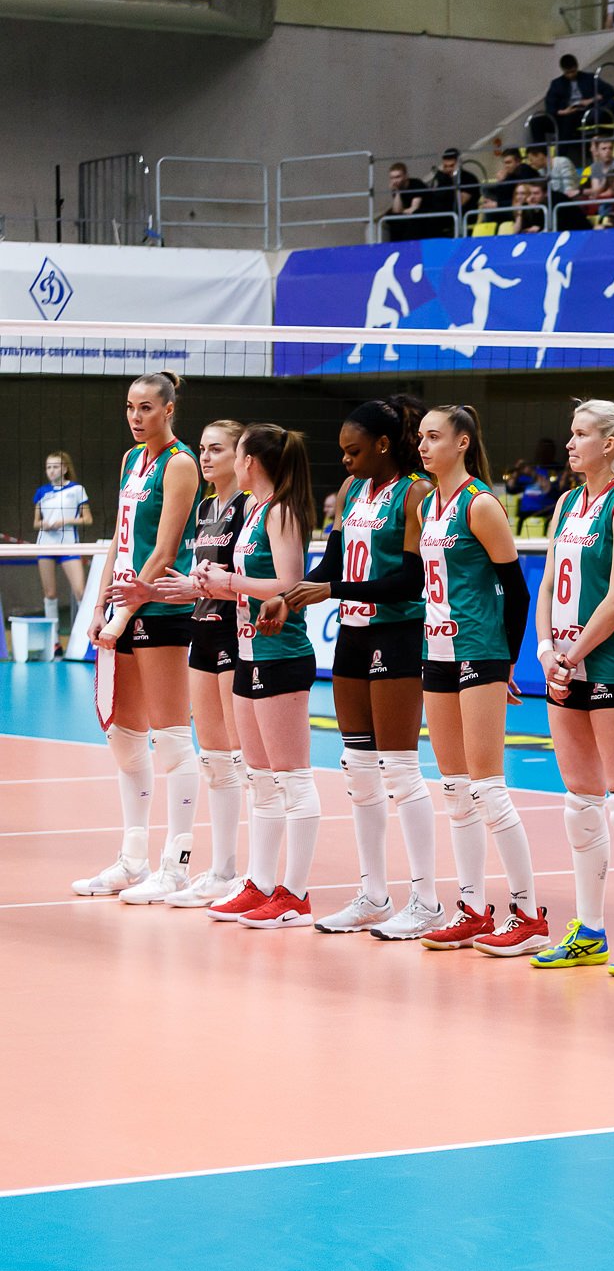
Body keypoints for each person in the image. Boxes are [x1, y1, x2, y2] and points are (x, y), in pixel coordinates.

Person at [278, 399, 439, 938]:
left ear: (383, 445)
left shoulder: (415, 492)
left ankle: (426, 901)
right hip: (352, 632)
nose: (345, 461)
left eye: (354, 451)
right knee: (358, 767)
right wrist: (295, 592)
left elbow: (410, 580)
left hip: (396, 632)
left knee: (400, 769)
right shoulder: (351, 491)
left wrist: (334, 588)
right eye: (343, 452)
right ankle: (373, 895)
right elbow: (332, 560)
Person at [527, 402, 614, 976]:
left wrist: (573, 654)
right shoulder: (566, 503)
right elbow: (546, 587)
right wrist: (545, 652)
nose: (569, 443)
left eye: (580, 433)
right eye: (571, 432)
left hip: (613, 662)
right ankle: (589, 930)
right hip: (565, 660)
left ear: (610, 444)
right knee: (580, 805)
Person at [410, 406, 545, 956]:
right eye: (420, 437)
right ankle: (470, 908)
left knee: (488, 787)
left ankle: (528, 913)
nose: (423, 445)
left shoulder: (480, 504)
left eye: (433, 436)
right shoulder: (427, 504)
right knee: (455, 789)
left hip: (479, 650)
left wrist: (506, 662)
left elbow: (517, 591)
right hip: (436, 650)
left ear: (462, 443)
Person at [72, 372, 202, 901]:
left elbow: (165, 550)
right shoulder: (132, 460)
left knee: (170, 739)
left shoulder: (181, 464)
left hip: (159, 608)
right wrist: (100, 602)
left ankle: (177, 865)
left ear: (168, 410)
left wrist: (124, 613)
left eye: (146, 407)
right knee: (125, 738)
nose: (135, 416)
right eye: (130, 407)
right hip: (122, 604)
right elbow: (118, 540)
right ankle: (132, 861)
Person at [190, 426, 322, 930]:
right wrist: (213, 585)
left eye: (236, 452)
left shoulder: (281, 510)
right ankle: (260, 883)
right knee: (260, 778)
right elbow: (249, 584)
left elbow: (289, 583)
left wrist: (229, 580)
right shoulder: (255, 510)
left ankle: (296, 895)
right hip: (249, 650)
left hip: (282, 653)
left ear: (249, 462)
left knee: (292, 778)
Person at [131, 422, 244, 909]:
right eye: (203, 449)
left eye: (217, 449)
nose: (206, 457)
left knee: (244, 763)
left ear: (243, 456)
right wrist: (158, 591)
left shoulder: (252, 508)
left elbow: (252, 579)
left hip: (238, 636)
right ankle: (221, 871)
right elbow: (199, 583)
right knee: (214, 760)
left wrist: (200, 587)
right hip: (203, 629)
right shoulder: (206, 508)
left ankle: (250, 875)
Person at [32, 450, 91, 626]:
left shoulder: (77, 489)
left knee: (80, 592)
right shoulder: (41, 492)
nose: (51, 471)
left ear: (64, 469)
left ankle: (85, 633)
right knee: (49, 594)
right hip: (45, 545)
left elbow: (88, 519)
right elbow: (36, 523)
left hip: (69, 545)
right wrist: (45, 524)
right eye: (48, 467)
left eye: (55, 467)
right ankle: (53, 637)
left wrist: (65, 521)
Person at [532, 54, 614, 152]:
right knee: (536, 122)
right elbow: (550, 105)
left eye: (573, 71)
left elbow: (610, 91)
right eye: (567, 73)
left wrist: (591, 100)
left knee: (569, 119)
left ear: (577, 67)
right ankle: (540, 153)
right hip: (562, 114)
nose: (570, 75)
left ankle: (561, 153)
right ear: (563, 70)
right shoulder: (557, 84)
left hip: (583, 113)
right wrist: (563, 112)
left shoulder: (589, 78)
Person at [383, 163, 430, 240]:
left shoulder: (416, 184)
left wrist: (403, 211)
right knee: (390, 217)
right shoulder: (397, 187)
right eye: (392, 178)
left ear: (406, 176)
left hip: (425, 215)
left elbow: (414, 208)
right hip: (408, 216)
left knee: (413, 217)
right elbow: (397, 211)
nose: (395, 181)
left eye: (398, 177)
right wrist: (397, 192)